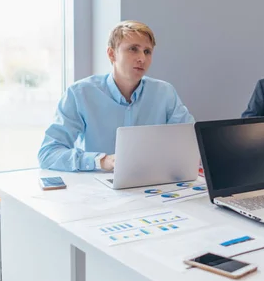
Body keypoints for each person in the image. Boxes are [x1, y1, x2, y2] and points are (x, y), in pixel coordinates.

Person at [38, 20, 194, 172]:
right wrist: (102, 161)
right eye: (133, 49)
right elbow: (48, 154)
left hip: (153, 184)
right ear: (111, 54)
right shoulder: (80, 93)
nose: (142, 58)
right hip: (98, 188)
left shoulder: (165, 93)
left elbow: (191, 141)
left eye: (147, 51)